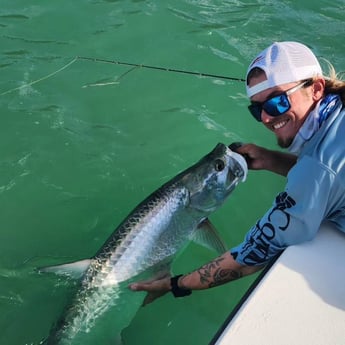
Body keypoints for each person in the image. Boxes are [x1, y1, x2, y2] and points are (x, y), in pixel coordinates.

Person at [129, 41, 345, 301]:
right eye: (257, 109)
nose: (266, 117)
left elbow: (253, 254)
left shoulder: (318, 168)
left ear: (317, 88)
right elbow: (331, 176)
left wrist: (175, 284)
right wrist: (270, 160)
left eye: (276, 102)